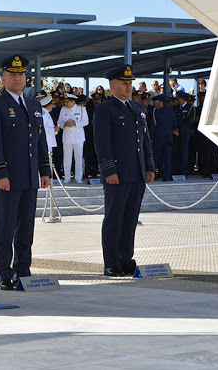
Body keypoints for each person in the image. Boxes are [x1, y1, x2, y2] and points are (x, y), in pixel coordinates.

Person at [0, 54, 51, 291]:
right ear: (3, 79)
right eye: (13, 74)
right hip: (8, 178)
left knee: (26, 228)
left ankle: (23, 268)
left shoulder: (34, 105)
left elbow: (40, 140)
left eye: (21, 74)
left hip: (30, 176)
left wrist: (45, 169)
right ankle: (3, 271)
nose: (18, 78)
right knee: (5, 226)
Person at [93, 64, 155, 277]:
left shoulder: (138, 109)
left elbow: (145, 141)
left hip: (136, 173)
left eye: (130, 83)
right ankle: (111, 262)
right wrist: (108, 170)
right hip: (117, 174)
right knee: (114, 218)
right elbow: (102, 143)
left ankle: (126, 258)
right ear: (112, 86)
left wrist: (149, 166)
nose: (129, 87)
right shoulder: (105, 109)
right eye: (124, 83)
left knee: (130, 219)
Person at [58, 93, 88, 184]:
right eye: (65, 102)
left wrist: (75, 123)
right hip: (67, 137)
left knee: (78, 157)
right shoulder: (63, 110)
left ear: (73, 101)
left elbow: (86, 121)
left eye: (67, 102)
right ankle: (67, 177)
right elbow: (59, 122)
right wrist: (64, 124)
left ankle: (78, 177)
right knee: (67, 158)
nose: (66, 104)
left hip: (78, 137)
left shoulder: (81, 109)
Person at [148, 94, 176, 181]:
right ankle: (166, 176)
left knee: (155, 156)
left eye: (158, 102)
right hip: (169, 137)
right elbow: (174, 126)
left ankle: (154, 175)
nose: (156, 103)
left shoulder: (156, 112)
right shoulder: (172, 113)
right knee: (167, 158)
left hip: (158, 137)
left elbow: (153, 126)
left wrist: (151, 137)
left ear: (161, 103)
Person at [173, 90, 195, 176]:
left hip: (184, 133)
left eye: (179, 99)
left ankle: (183, 171)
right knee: (177, 152)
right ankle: (177, 170)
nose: (178, 100)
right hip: (176, 133)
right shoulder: (177, 108)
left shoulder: (190, 108)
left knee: (184, 152)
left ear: (182, 99)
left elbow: (190, 121)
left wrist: (180, 130)